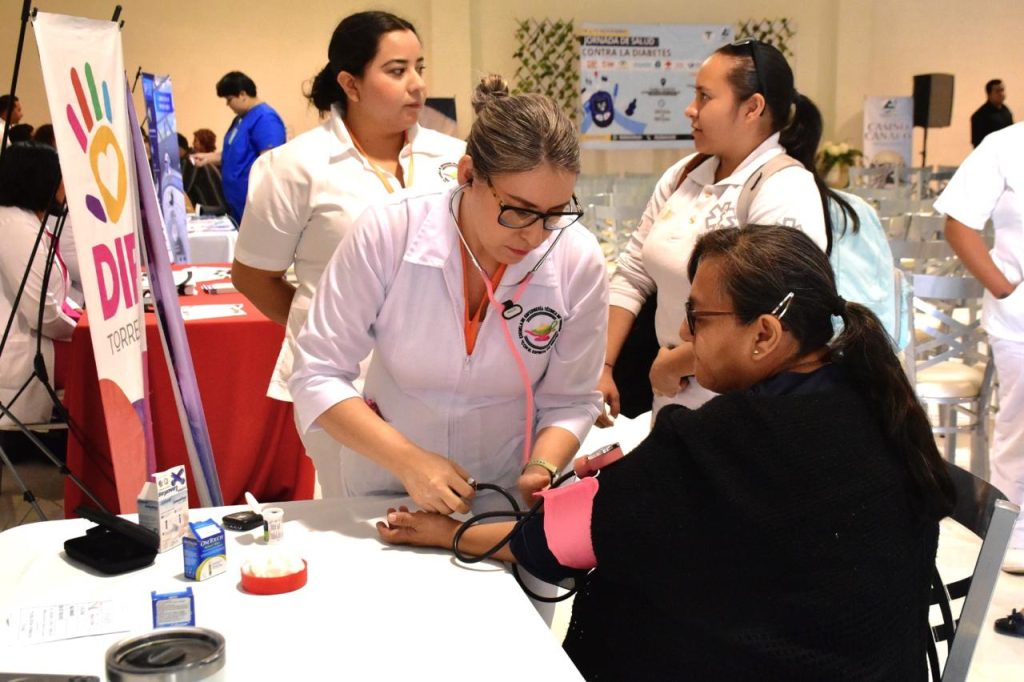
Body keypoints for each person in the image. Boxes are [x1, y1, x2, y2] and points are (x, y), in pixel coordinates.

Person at [380, 224, 954, 680]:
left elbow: (550, 544)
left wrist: (441, 531)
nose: (681, 331)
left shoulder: (728, 441)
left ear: (764, 335)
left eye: (699, 317)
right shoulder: (878, 402)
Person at [288, 76, 608, 512]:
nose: (535, 236)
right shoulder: (391, 230)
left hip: (500, 490)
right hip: (387, 488)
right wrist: (407, 461)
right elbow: (317, 374)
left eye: (555, 213)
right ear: (468, 174)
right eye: (517, 210)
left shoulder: (577, 257)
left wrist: (541, 469)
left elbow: (572, 398)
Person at [233, 12, 464, 497]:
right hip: (345, 385)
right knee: (361, 520)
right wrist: (324, 332)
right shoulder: (296, 167)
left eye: (419, 67)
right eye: (397, 71)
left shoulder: (454, 158)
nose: (417, 85)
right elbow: (255, 276)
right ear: (351, 84)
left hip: (443, 378)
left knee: (449, 511)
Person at [598, 39, 855, 424]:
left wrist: (675, 364)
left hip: (742, 404)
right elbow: (633, 272)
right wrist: (603, 365)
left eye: (704, 97)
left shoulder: (784, 189)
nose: (691, 110)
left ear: (752, 107)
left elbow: (773, 317)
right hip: (671, 395)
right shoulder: (684, 175)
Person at [936, 121, 1024, 573]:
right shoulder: (1006, 145)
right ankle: (1015, 533)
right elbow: (959, 222)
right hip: (1020, 321)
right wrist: (1004, 288)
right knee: (1018, 425)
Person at [0, 143, 79, 427]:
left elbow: (53, 294)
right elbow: (39, 311)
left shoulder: (26, 221)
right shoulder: (15, 227)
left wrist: (79, 320)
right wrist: (81, 331)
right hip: (27, 348)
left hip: (44, 336)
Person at [192, 71, 285, 223]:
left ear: (242, 94)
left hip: (254, 205)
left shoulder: (265, 118)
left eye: (229, 99)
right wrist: (208, 158)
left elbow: (269, 162)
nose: (227, 104)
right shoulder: (241, 119)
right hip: (236, 204)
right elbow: (234, 154)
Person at [178, 133, 225, 214]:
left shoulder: (190, 161)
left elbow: (181, 189)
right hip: (217, 208)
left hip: (212, 211)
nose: (193, 143)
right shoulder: (194, 158)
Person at [970, 79, 1013, 147]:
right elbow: (978, 144)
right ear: (989, 94)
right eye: (997, 91)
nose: (1001, 94)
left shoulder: (1006, 111)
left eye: (1002, 90)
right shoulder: (980, 116)